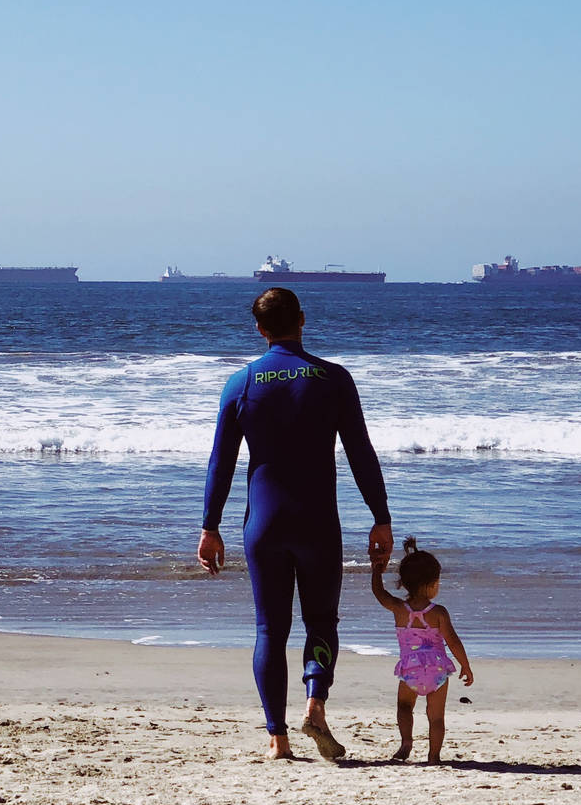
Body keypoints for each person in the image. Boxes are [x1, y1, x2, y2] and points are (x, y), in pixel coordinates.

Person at [199, 287, 392, 761]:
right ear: (302, 320)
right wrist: (380, 518)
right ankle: (315, 703)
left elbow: (219, 464)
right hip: (318, 522)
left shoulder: (240, 383)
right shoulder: (333, 379)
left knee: (270, 630)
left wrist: (210, 527)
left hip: (263, 524)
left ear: (260, 329)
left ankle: (277, 739)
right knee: (322, 621)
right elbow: (361, 454)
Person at [371, 538, 474, 762]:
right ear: (430, 584)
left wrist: (376, 570)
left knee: (404, 707)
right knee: (436, 717)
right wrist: (465, 665)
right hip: (437, 670)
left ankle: (406, 742)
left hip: (412, 670)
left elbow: (379, 594)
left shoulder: (399, 609)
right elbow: (453, 642)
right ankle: (434, 756)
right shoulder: (438, 612)